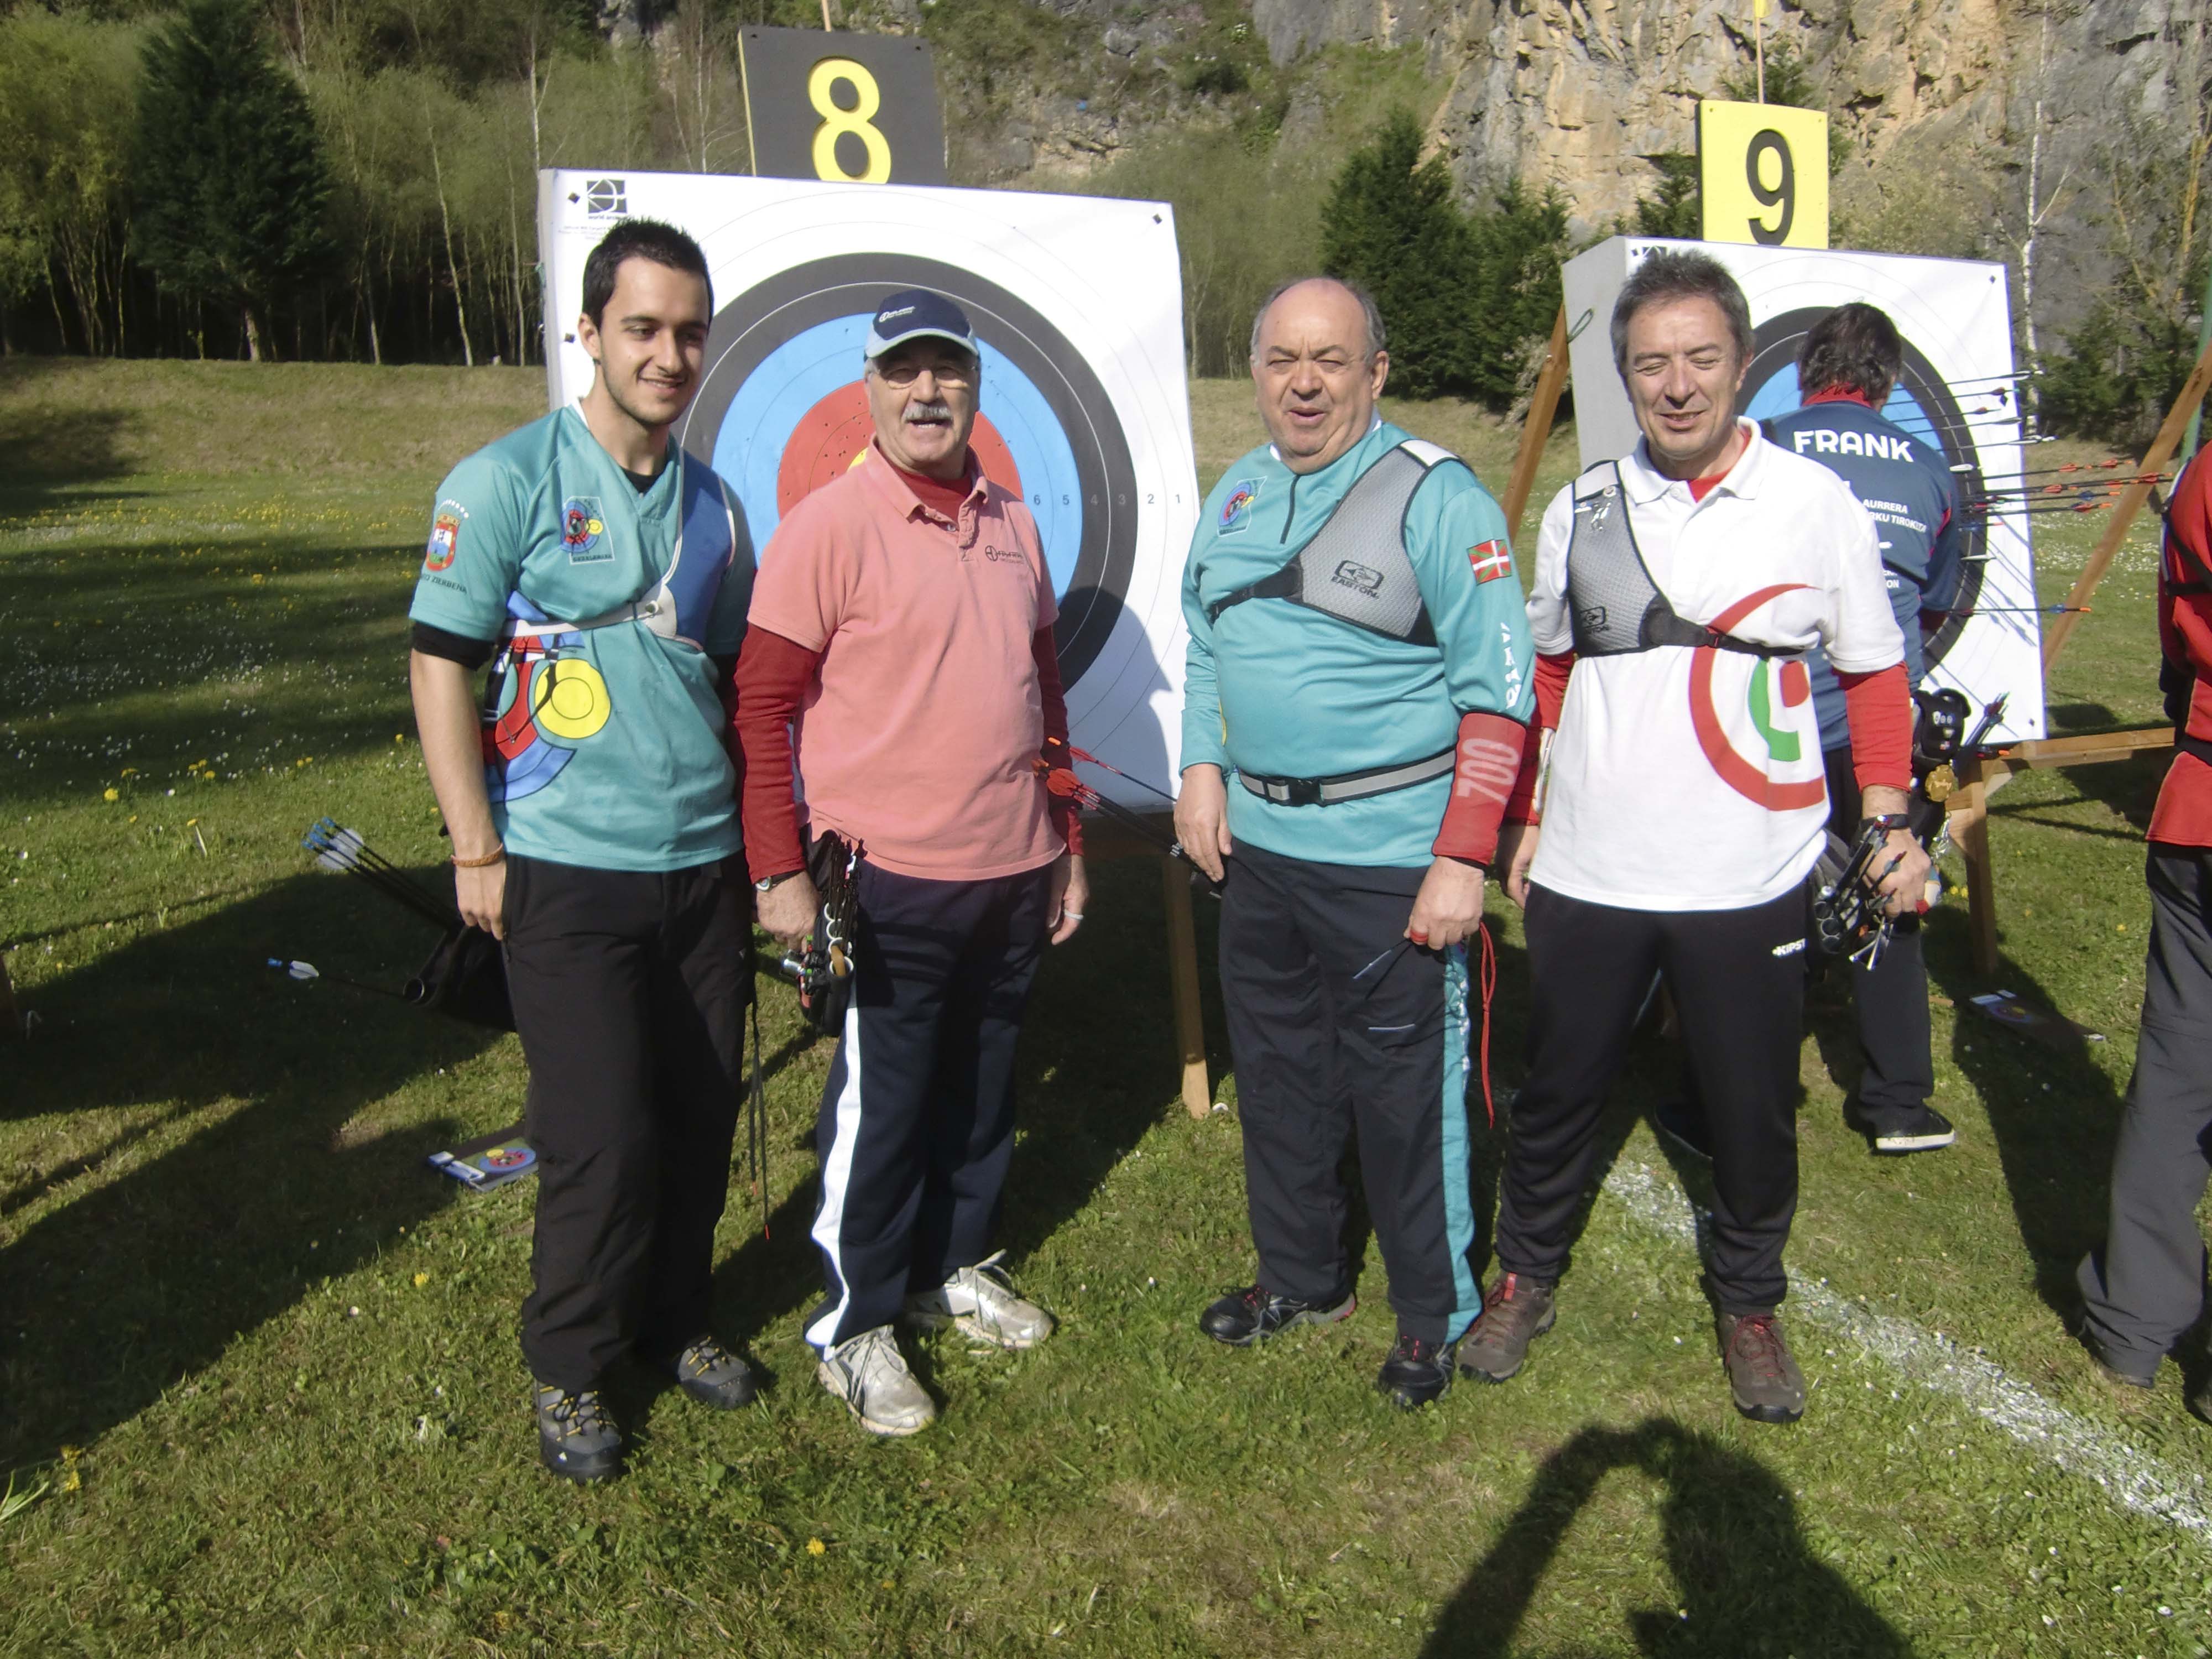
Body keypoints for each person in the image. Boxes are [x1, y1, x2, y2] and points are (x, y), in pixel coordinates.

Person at [1466, 249, 1929, 1425]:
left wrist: (1886, 817)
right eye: (1650, 364)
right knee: (1559, 1089)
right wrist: (1529, 812)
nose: (1676, 386)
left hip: (1748, 871)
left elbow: (1876, 675)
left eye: (1700, 359)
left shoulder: (1811, 502)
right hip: (1592, 866)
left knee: (1750, 1106)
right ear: (1624, 377)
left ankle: (1749, 1301)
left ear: (1740, 365)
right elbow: (1551, 672)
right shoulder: (1581, 508)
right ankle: (1524, 1277)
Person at [407, 218, 758, 1483]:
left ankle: (672, 1321)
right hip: (561, 867)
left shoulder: (718, 507)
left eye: (689, 333)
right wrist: (474, 848)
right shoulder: (502, 481)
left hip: (701, 867)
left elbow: (732, 681)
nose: (668, 356)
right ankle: (569, 1364)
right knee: (601, 1137)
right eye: (642, 328)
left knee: (698, 1119)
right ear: (589, 333)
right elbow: (438, 665)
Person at [1173, 275, 1537, 1410]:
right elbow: (1204, 643)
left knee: (1403, 1094)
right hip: (1259, 853)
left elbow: (1500, 699)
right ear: (1254, 371)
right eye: (1281, 358)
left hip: (1390, 860)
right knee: (1279, 1075)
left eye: (1329, 360)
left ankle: (1431, 1314)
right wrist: (1200, 767)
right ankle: (1301, 1277)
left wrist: (1462, 858)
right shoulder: (1236, 490)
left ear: (1374, 373)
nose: (1304, 383)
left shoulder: (1438, 497)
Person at [732, 289, 1085, 1437]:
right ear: (871, 390)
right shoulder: (827, 528)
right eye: (903, 372)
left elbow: (1043, 692)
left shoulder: (1014, 522)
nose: (927, 392)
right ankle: (854, 1324)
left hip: (1012, 865)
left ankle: (952, 1265)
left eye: (948, 372)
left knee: (982, 1089)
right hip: (888, 878)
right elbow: (762, 708)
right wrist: (778, 872)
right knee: (881, 1108)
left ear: (976, 389)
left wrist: (1066, 844)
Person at [1658, 301, 1965, 1159]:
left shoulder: (1760, 448)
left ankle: (1712, 1104)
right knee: (1886, 884)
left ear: (1803, 369)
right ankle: (1897, 1104)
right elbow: (1934, 605)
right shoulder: (1931, 469)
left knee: (1750, 906)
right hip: (1879, 724)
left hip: (1769, 722)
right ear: (1889, 381)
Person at [2074, 447, 2212, 1411]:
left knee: (2177, 1069)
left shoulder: (2203, 473)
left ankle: (2134, 1324)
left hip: (2199, 805)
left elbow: (2176, 631)